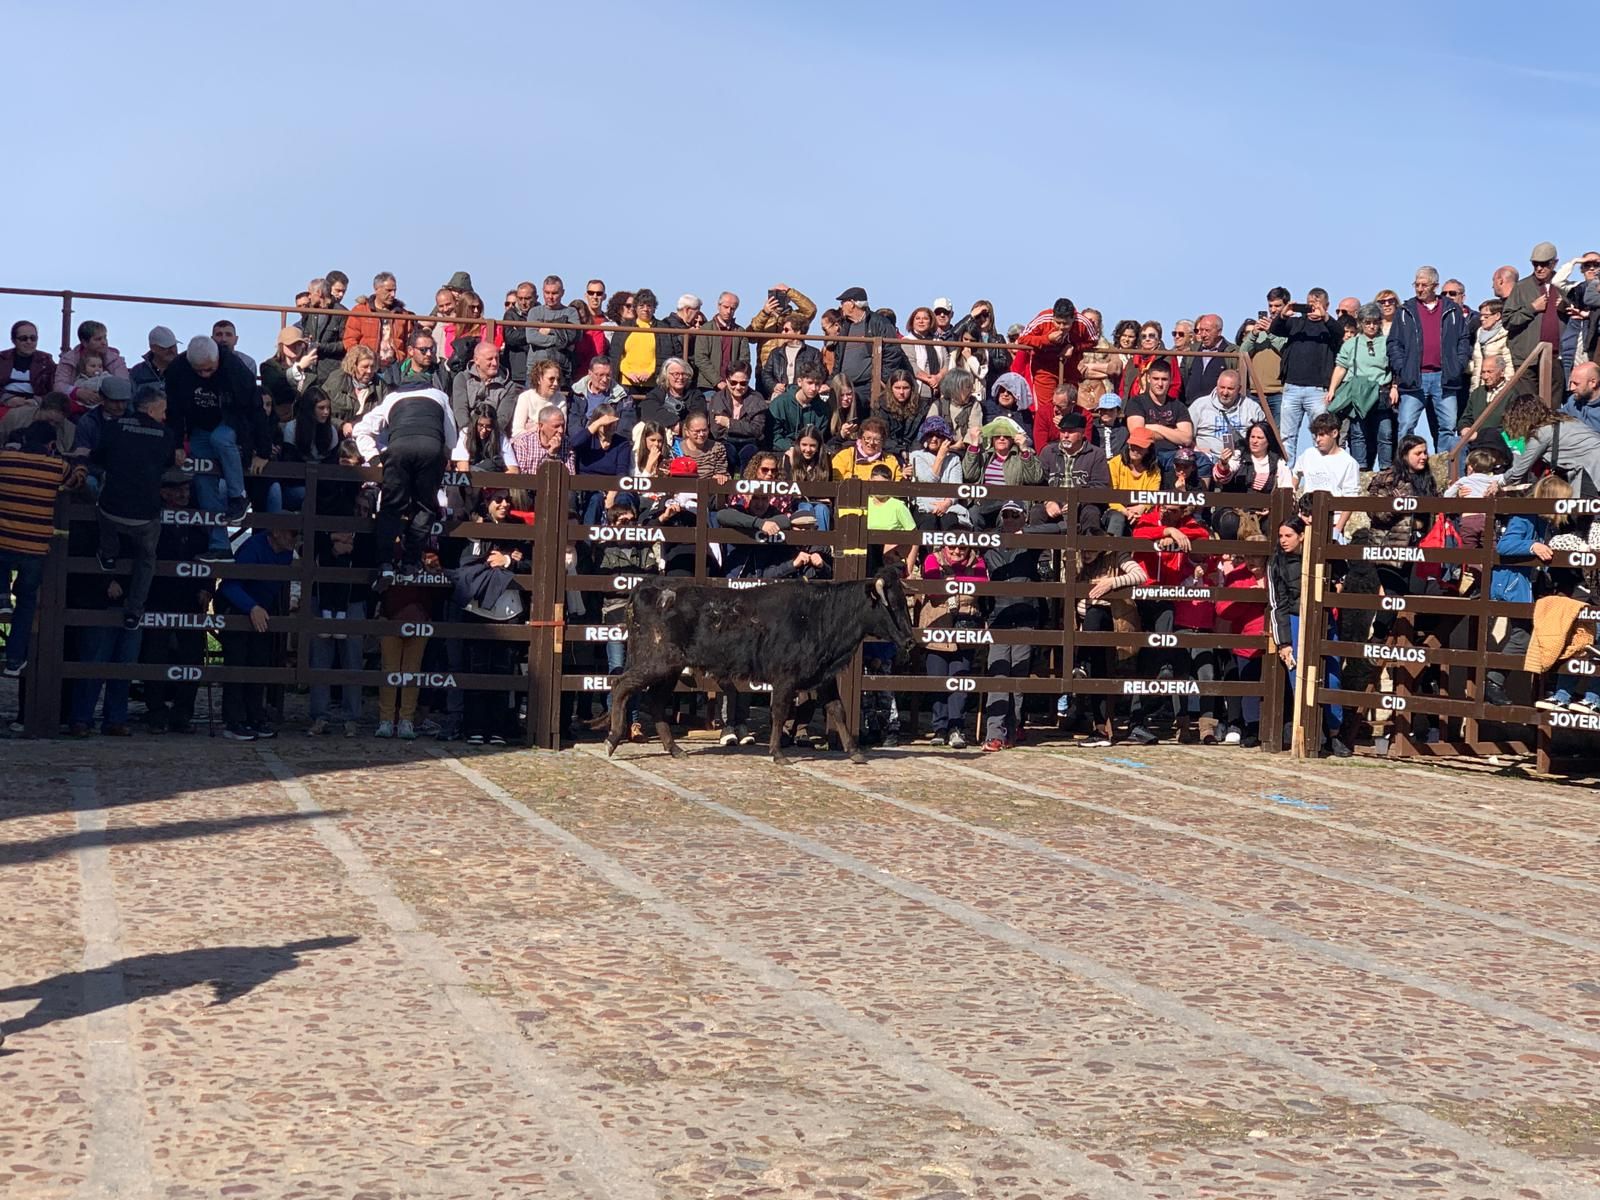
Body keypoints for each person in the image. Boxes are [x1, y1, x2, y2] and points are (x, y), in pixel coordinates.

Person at [0, 421, 85, 676]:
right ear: (50, 445)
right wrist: (79, 463)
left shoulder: (4, 460)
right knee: (27, 602)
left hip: (3, 538)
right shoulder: (57, 466)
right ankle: (15, 660)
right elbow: (77, 481)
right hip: (35, 544)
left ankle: (2, 596)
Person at [92, 384, 179, 629]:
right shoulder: (165, 434)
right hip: (144, 515)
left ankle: (108, 555)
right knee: (147, 558)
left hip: (111, 507)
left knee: (102, 511)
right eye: (163, 410)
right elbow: (168, 463)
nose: (165, 415)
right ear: (151, 409)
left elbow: (97, 458)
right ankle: (134, 610)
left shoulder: (113, 427)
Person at [353, 385, 456, 574]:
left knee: (391, 506)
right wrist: (443, 456)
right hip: (431, 448)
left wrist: (375, 459)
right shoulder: (440, 396)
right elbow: (452, 440)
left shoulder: (392, 397)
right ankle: (411, 563)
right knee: (425, 507)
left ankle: (385, 564)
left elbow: (360, 429)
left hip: (398, 449)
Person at [454, 489, 528, 745]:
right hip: (478, 611)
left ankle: (498, 728)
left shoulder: (519, 529)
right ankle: (474, 726)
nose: (504, 504)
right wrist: (500, 559)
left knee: (503, 671)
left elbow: (529, 560)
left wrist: (508, 560)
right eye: (498, 499)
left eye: (508, 499)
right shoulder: (479, 528)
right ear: (487, 503)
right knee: (476, 670)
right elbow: (469, 563)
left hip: (509, 611)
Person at [138, 465, 209, 733]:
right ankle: (156, 711)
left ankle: (183, 714)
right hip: (158, 595)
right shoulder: (154, 517)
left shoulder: (198, 518)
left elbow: (207, 555)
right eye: (178, 489)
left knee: (192, 655)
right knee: (154, 654)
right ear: (164, 492)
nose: (184, 494)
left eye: (187, 489)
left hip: (190, 596)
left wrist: (206, 587)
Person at [214, 526, 298, 740]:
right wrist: (251, 607)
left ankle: (254, 717)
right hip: (236, 607)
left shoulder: (287, 554)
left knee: (259, 661)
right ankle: (233, 721)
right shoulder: (253, 548)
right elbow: (230, 585)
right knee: (237, 662)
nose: (295, 538)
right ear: (276, 532)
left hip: (260, 610)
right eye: (292, 533)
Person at [1385, 266, 1471, 456]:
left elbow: (1463, 340)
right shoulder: (1405, 311)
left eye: (1424, 285)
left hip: (1445, 377)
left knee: (1447, 427)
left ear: (1435, 286)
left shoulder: (1452, 310)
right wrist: (1402, 368)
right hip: (1415, 378)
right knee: (1406, 425)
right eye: (1417, 284)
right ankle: (1405, 469)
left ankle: (1445, 471)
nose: (1419, 289)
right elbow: (1394, 343)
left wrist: (1458, 365)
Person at [919, 542, 988, 748]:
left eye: (962, 548)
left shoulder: (978, 561)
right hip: (936, 626)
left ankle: (956, 727)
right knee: (937, 679)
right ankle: (939, 727)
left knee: (960, 681)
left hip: (965, 627)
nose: (957, 552)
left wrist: (952, 581)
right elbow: (933, 591)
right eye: (952, 548)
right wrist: (961, 583)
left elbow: (981, 583)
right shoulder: (933, 559)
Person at [306, 525, 368, 737]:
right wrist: (332, 547)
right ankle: (319, 715)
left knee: (352, 660)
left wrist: (349, 549)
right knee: (320, 659)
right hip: (321, 596)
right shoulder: (325, 521)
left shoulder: (366, 531)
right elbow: (307, 547)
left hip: (354, 599)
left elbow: (372, 559)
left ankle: (351, 717)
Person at [1270, 289, 1343, 462]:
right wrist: (1283, 315)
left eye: (1317, 304)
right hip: (1292, 388)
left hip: (1317, 390)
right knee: (1287, 436)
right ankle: (1287, 478)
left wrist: (1324, 317)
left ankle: (1320, 475)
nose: (1313, 308)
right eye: (1310, 304)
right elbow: (1274, 330)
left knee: (1321, 435)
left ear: (1326, 305)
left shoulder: (1329, 326)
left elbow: (1339, 332)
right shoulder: (1296, 323)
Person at [1327, 303, 1398, 470]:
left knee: (1385, 433)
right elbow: (1341, 367)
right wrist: (1332, 390)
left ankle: (1386, 468)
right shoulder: (1351, 344)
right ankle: (1361, 468)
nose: (1371, 326)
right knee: (1358, 433)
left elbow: (1395, 367)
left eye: (1375, 322)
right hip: (1359, 393)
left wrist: (1395, 386)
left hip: (1382, 391)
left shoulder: (1388, 343)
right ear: (1361, 323)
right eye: (1367, 322)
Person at [1502, 393, 1600, 496]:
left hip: (1592, 471)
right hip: (1593, 466)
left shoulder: (1542, 433)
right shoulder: (1564, 420)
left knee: (1583, 510)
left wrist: (1499, 482)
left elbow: (1518, 471)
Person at [1014, 298, 1095, 422]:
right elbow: (1023, 339)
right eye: (1058, 322)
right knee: (1047, 408)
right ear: (1053, 317)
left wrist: (1075, 347)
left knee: (1069, 404)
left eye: (1066, 324)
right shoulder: (1043, 319)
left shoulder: (1083, 323)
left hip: (1070, 369)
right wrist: (1047, 339)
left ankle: (1069, 434)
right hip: (1044, 368)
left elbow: (1093, 340)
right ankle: (1048, 437)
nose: (1061, 327)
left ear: (1073, 318)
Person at [1292, 412, 1360, 538]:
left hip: (1331, 522)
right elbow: (1295, 475)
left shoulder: (1349, 462)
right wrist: (1296, 508)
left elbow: (1350, 498)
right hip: (1304, 521)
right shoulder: (1309, 454)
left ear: (1334, 433)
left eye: (1322, 435)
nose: (1318, 439)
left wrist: (1338, 529)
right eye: (1316, 435)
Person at [833, 286, 908, 400]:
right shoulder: (845, 326)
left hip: (867, 388)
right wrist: (833, 380)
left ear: (852, 303)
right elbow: (838, 358)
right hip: (844, 386)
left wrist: (881, 380)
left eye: (843, 302)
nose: (840, 306)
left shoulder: (879, 323)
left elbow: (892, 353)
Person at [1122, 360, 1194, 468]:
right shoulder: (1136, 402)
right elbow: (1137, 433)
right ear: (1148, 379)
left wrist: (1155, 427)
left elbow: (1187, 439)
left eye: (1164, 379)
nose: (1160, 384)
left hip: (1173, 456)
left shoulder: (1178, 406)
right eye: (1156, 379)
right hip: (1145, 454)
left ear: (1170, 380)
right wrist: (1174, 432)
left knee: (1202, 462)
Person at [1189, 369, 1266, 463]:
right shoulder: (1200, 405)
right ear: (1216, 386)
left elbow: (1265, 434)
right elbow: (1185, 436)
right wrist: (1197, 449)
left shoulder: (1251, 407)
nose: (1225, 393)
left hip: (1242, 460)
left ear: (1239, 389)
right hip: (1207, 459)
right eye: (1222, 387)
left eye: (1230, 389)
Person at [907, 414, 969, 529]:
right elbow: (929, 480)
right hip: (924, 505)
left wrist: (946, 504)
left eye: (938, 435)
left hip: (948, 505)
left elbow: (955, 488)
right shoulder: (916, 456)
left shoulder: (953, 459)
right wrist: (940, 456)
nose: (934, 439)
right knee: (928, 521)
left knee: (950, 520)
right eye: (930, 435)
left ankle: (950, 548)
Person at [342, 272, 412, 367]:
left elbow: (409, 341)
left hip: (396, 367)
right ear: (376, 289)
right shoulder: (360, 310)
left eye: (394, 290)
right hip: (369, 366)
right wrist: (361, 361)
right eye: (389, 290)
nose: (393, 294)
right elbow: (350, 340)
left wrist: (405, 364)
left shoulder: (403, 314)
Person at [1242, 287, 1290, 423]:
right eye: (1270, 305)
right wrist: (1254, 334)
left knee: (1280, 435)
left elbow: (1286, 350)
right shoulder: (1259, 330)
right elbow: (1242, 353)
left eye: (1277, 306)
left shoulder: (1291, 327)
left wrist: (1270, 332)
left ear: (1286, 305)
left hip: (1279, 393)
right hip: (1255, 392)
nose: (1273, 310)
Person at [704, 365, 768, 470]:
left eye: (743, 383)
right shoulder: (718, 398)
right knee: (726, 450)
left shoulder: (756, 399)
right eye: (733, 383)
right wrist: (745, 428)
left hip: (749, 443)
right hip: (725, 441)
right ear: (727, 381)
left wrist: (729, 423)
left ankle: (745, 485)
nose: (738, 387)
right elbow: (717, 431)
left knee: (749, 452)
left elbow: (757, 430)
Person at [54, 320, 129, 408]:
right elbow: (59, 385)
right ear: (84, 342)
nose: (104, 342)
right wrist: (77, 392)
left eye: (105, 337)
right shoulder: (69, 359)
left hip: (109, 406)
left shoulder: (115, 359)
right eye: (98, 339)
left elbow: (123, 384)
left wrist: (104, 395)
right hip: (75, 406)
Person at [451, 340, 518, 434]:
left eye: (497, 358)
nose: (495, 363)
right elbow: (460, 410)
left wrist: (489, 434)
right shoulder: (462, 379)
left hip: (494, 435)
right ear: (476, 360)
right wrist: (469, 433)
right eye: (490, 359)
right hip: (466, 433)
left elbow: (503, 418)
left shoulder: (508, 386)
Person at [692, 291, 752, 393]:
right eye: (726, 307)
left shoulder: (740, 331)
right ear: (718, 306)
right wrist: (718, 382)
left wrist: (734, 382)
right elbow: (700, 358)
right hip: (708, 386)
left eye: (732, 308)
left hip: (734, 387)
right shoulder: (706, 329)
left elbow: (744, 360)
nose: (729, 311)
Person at [522, 275, 579, 380]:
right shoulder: (534, 312)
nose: (550, 296)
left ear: (562, 292)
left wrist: (549, 330)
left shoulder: (571, 312)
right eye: (547, 292)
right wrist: (561, 338)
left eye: (554, 293)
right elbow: (532, 337)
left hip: (562, 370)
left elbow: (574, 335)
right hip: (536, 370)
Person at [767, 363, 831, 453]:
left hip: (810, 452)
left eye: (817, 384)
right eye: (810, 383)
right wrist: (794, 449)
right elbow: (774, 437)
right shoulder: (780, 403)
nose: (813, 388)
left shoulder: (823, 409)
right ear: (800, 382)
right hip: (783, 451)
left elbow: (820, 437)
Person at [508, 357, 568, 442]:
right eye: (551, 379)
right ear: (539, 379)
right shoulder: (525, 397)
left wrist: (533, 428)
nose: (556, 384)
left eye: (558, 379)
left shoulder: (561, 399)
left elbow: (561, 430)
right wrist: (544, 431)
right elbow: (517, 432)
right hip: (527, 446)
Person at [1180, 314, 1235, 405]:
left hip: (1219, 409)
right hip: (1191, 407)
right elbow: (1183, 377)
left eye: (1207, 330)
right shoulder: (1191, 351)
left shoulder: (1232, 353)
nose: (1203, 335)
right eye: (1201, 330)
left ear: (1219, 332)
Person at [1, 321, 57, 409]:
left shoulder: (46, 360)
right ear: (13, 340)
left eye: (33, 338)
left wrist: (37, 401)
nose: (29, 342)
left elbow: (53, 389)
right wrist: (6, 399)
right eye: (23, 338)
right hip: (4, 405)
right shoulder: (2, 359)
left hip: (35, 406)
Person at [875, 369, 928, 459]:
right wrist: (900, 450)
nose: (901, 392)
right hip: (888, 451)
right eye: (897, 388)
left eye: (905, 388)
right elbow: (881, 436)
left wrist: (913, 452)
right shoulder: (881, 406)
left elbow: (921, 434)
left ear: (912, 388)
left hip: (915, 451)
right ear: (891, 388)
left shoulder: (922, 406)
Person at [261, 327, 317, 410]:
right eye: (290, 344)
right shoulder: (269, 367)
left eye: (299, 344)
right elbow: (274, 387)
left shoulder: (310, 373)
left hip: (303, 419)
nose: (295, 347)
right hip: (278, 418)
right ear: (281, 345)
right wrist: (298, 368)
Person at [638, 357, 700, 432]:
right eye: (676, 374)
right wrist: (674, 424)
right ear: (666, 375)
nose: (680, 377)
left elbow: (698, 418)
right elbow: (647, 409)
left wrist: (680, 427)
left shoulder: (695, 395)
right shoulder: (659, 392)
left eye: (684, 374)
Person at [830, 416, 900, 480]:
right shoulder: (845, 456)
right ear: (860, 438)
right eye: (868, 438)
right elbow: (834, 477)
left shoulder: (891, 461)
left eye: (876, 440)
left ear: (883, 441)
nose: (871, 442)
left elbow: (898, 484)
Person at [1470, 298, 1510, 390]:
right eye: (1481, 315)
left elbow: (1508, 364)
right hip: (1479, 386)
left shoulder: (1505, 335)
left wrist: (1507, 388)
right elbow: (1477, 362)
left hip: (1499, 387)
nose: (1481, 319)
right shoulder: (1480, 333)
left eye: (1486, 316)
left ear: (1497, 315)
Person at [1561, 361, 1600, 436]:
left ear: (1593, 383)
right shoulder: (1573, 400)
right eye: (1571, 383)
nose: (1571, 388)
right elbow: (1560, 416)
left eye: (1576, 384)